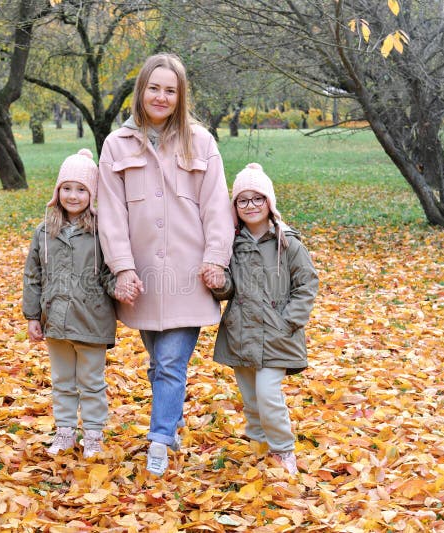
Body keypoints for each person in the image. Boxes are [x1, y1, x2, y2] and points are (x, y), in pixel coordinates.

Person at [97, 53, 234, 476]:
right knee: (159, 364)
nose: (161, 96)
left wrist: (216, 260)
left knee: (172, 362)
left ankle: (157, 439)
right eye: (154, 88)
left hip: (189, 274)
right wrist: (121, 267)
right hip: (141, 277)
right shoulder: (116, 145)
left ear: (180, 96)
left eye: (170, 90)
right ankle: (170, 427)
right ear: (141, 91)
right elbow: (111, 213)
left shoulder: (201, 142)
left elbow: (216, 207)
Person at [208, 162, 318, 475]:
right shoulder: (231, 245)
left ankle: (283, 450)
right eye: (243, 200)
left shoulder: (288, 243)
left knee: (269, 394)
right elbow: (229, 287)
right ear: (235, 206)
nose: (251, 205)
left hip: (277, 333)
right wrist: (218, 284)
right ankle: (258, 447)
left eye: (258, 198)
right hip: (241, 333)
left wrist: (290, 320)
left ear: (269, 202)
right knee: (251, 398)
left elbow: (307, 283)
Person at [22, 148, 117, 459]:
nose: (73, 196)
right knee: (62, 380)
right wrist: (33, 315)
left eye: (81, 189)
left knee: (91, 382)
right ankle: (64, 432)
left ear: (91, 194)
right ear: (57, 190)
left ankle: (92, 434)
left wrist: (121, 288)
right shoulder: (44, 232)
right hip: (56, 321)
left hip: (91, 320)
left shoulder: (103, 231)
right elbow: (33, 276)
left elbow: (111, 271)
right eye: (67, 188)